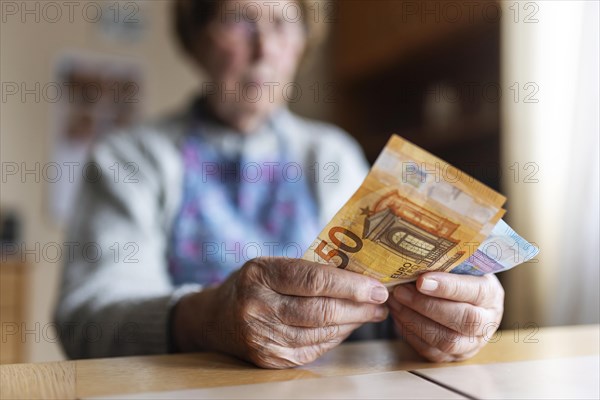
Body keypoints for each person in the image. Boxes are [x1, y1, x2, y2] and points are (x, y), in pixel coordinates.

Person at [54, 0, 504, 369]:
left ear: (303, 46)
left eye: (285, 24)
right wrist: (207, 319)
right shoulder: (130, 158)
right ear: (197, 38)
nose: (265, 48)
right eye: (239, 20)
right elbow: (88, 320)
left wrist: (448, 317)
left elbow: (378, 302)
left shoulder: (330, 155)